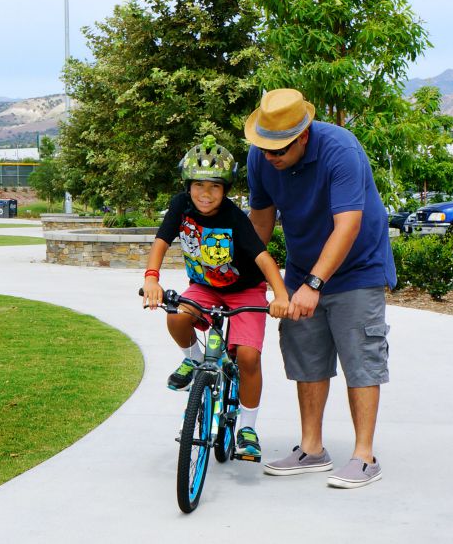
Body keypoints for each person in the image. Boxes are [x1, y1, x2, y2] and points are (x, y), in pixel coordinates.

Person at [243, 88, 394, 489]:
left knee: (361, 357)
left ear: (303, 136)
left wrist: (314, 283)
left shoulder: (340, 149)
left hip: (358, 268)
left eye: (279, 150)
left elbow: (348, 225)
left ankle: (364, 456)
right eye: (265, 148)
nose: (270, 157)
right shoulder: (260, 157)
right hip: (300, 268)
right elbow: (260, 221)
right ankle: (312, 449)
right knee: (305, 354)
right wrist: (250, 277)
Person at [142, 136, 290, 459]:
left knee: (248, 357)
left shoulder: (234, 218)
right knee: (177, 314)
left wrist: (280, 295)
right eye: (198, 186)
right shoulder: (181, 206)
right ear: (187, 186)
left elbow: (264, 259)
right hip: (206, 287)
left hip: (245, 290)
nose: (205, 195)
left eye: (214, 187)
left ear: (225, 189)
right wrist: (151, 279)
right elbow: (161, 242)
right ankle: (195, 360)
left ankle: (247, 427)